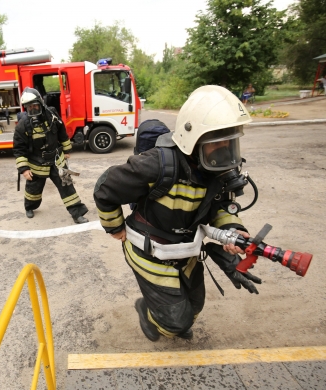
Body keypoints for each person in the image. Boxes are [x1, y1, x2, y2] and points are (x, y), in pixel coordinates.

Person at [93, 86, 261, 341]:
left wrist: (233, 231)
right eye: (217, 142)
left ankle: (172, 319)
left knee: (195, 305)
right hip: (150, 252)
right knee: (174, 325)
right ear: (193, 140)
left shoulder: (216, 169)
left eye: (230, 141)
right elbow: (106, 188)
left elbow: (221, 207)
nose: (225, 149)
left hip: (187, 250)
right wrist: (115, 227)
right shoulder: (157, 164)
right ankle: (151, 314)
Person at [13, 87, 89, 223]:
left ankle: (77, 214)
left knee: (67, 186)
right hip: (36, 164)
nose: (32, 109)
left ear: (41, 103)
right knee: (33, 190)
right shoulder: (22, 125)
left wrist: (66, 150)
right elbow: (19, 149)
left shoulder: (52, 115)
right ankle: (29, 207)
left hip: (57, 161)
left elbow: (61, 132)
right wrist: (24, 169)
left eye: (35, 105)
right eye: (29, 107)